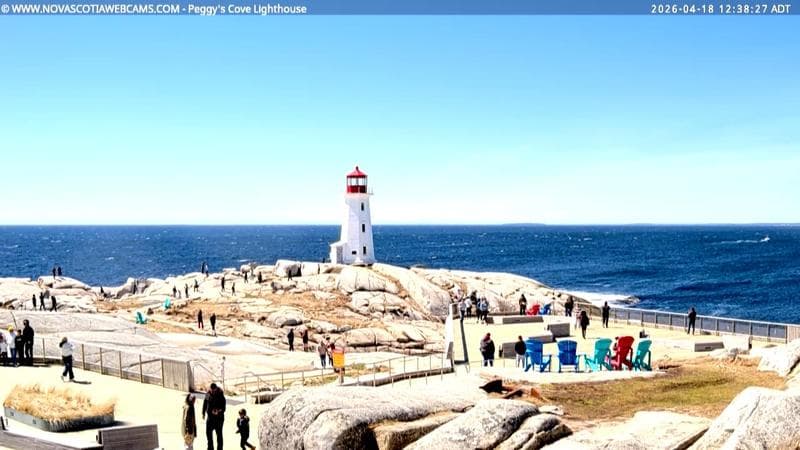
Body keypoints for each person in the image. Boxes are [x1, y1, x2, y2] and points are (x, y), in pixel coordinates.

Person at [202, 383, 226, 450]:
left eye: (214, 390)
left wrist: (217, 411)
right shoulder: (208, 394)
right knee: (208, 434)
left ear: (216, 389)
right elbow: (205, 403)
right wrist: (203, 413)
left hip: (219, 419)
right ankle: (210, 448)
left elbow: (224, 408)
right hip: (210, 418)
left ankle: (220, 448)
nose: (212, 391)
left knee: (219, 435)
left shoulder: (221, 395)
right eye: (211, 390)